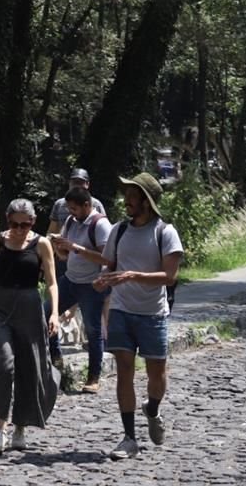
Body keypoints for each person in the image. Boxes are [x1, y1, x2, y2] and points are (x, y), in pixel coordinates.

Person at [93, 173, 183, 460]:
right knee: (124, 372)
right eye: (127, 195)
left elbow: (170, 277)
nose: (126, 200)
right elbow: (110, 266)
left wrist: (135, 275)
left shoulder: (165, 232)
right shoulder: (119, 231)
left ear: (146, 201)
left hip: (153, 314)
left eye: (132, 195)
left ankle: (152, 408)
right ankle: (128, 438)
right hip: (120, 310)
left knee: (157, 374)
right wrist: (103, 280)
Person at [0, 199, 60, 454]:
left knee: (29, 368)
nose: (19, 229)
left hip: (30, 307)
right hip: (0, 307)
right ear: (7, 221)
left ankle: (20, 427)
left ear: (32, 223)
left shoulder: (41, 244)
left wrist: (53, 313)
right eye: (14, 224)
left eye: (25, 224)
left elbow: (52, 282)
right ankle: (0, 429)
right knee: (4, 364)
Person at [47, 186, 113, 393]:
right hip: (70, 280)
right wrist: (59, 245)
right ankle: (55, 360)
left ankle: (94, 376)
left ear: (87, 205)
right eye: (69, 209)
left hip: (92, 285)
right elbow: (66, 256)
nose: (71, 213)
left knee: (93, 331)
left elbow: (107, 258)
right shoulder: (70, 221)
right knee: (46, 314)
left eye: (74, 208)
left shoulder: (100, 224)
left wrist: (75, 247)